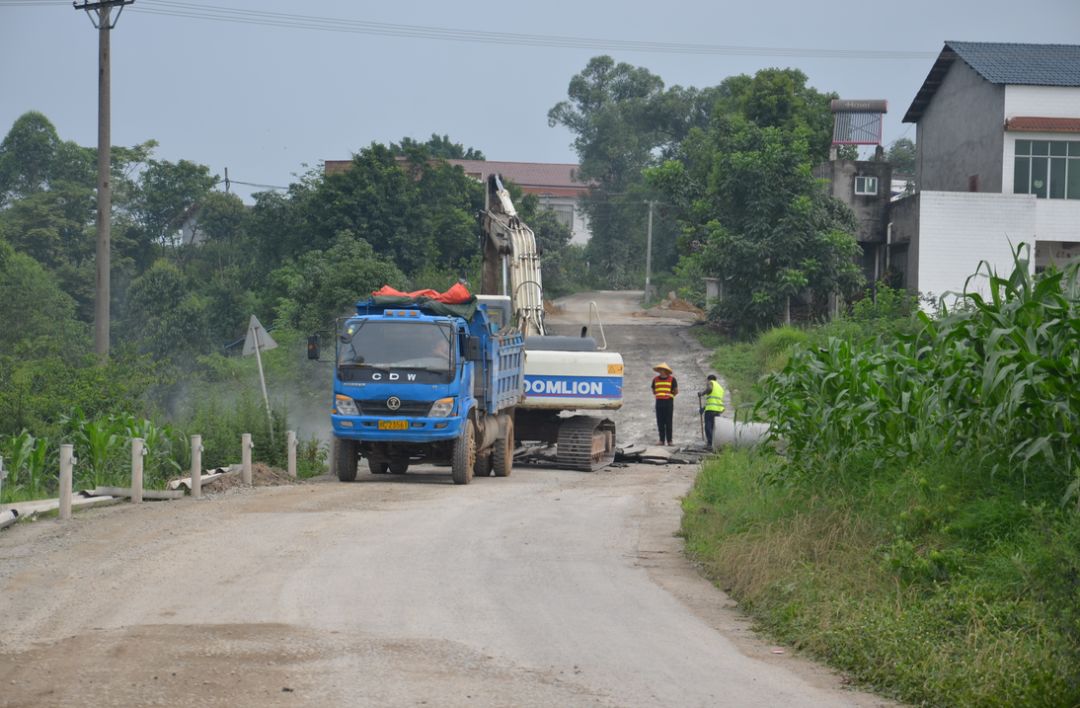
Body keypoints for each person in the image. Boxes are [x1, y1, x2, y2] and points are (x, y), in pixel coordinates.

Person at [651, 363, 678, 446]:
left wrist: (669, 396)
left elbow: (676, 391)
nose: (660, 371)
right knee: (660, 422)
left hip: (668, 402)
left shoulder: (672, 379)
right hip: (659, 402)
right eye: (659, 369)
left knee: (668, 422)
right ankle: (661, 440)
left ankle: (669, 441)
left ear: (666, 371)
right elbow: (653, 390)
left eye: (662, 369)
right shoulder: (655, 379)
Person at [699, 374, 725, 450]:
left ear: (708, 379)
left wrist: (702, 393)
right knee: (714, 428)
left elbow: (709, 389)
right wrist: (703, 408)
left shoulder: (711, 382)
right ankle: (714, 443)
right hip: (718, 410)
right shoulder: (720, 388)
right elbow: (713, 400)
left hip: (710, 410)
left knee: (708, 426)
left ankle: (710, 444)